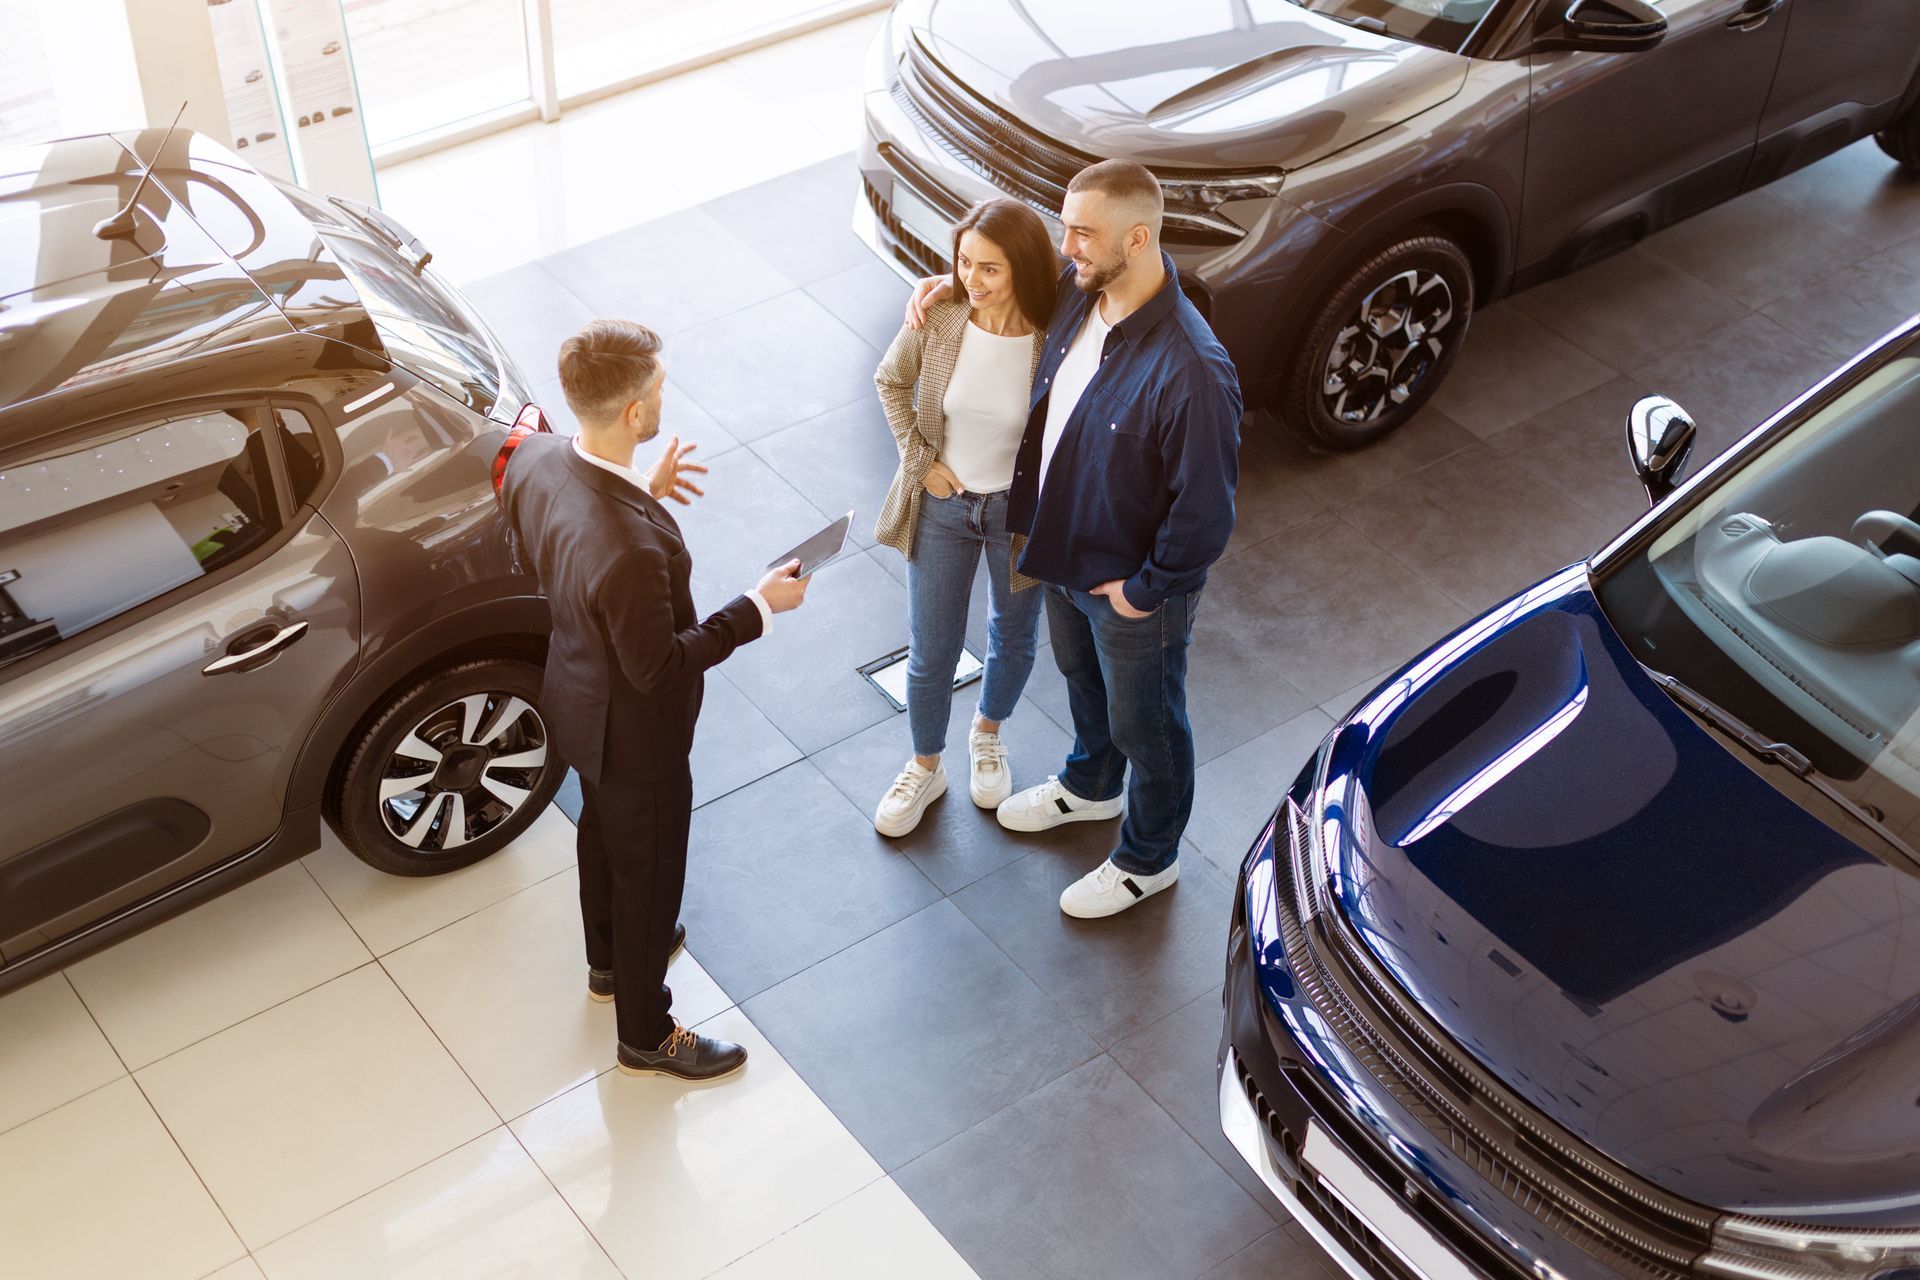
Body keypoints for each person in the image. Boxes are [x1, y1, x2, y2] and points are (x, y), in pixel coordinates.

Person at [906, 159, 1242, 919]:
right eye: (1064, 227)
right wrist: (944, 283)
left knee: (1148, 724)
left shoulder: (1192, 371)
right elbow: (992, 275)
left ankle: (1149, 858)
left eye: (1082, 232)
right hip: (1058, 553)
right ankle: (1091, 786)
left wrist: (1144, 590)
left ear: (1138, 238)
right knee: (1083, 684)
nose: (1067, 244)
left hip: (1128, 585)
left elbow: (1206, 513)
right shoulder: (1075, 291)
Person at [500, 319, 809, 1080]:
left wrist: (642, 490)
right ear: (636, 412)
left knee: (602, 837)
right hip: (638, 738)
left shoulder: (536, 460)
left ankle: (608, 962)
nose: (665, 394)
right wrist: (758, 607)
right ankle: (646, 1030)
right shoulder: (630, 549)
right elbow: (661, 668)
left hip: (575, 701)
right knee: (651, 874)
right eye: (660, 388)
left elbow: (559, 541)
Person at [870, 198, 1057, 837]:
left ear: (1024, 270)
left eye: (990, 270)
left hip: (1020, 514)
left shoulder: (1056, 333)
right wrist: (920, 460)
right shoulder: (941, 315)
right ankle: (926, 765)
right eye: (963, 263)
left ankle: (987, 732)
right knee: (932, 649)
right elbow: (890, 382)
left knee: (1014, 634)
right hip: (944, 506)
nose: (971, 280)